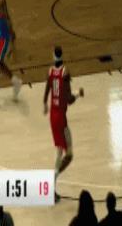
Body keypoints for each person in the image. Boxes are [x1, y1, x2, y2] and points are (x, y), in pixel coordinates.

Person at [43, 46, 83, 201]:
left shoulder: (50, 71)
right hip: (61, 118)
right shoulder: (65, 72)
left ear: (53, 56)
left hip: (52, 117)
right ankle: (52, 179)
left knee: (59, 151)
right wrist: (78, 94)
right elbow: (69, 100)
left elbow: (47, 88)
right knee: (69, 154)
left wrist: (44, 103)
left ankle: (52, 186)